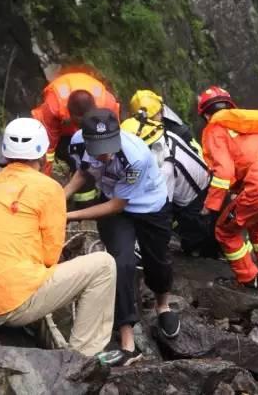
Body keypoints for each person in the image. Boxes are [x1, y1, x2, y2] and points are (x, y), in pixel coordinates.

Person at [0, 118, 123, 365]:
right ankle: (84, 359)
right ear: (42, 152)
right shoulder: (48, 188)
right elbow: (50, 256)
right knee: (103, 264)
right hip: (12, 303)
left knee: (35, 275)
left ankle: (57, 351)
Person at [64, 109, 179, 366]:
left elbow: (118, 204)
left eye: (109, 147)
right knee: (121, 263)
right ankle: (128, 339)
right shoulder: (77, 144)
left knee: (157, 261)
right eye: (99, 148)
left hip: (149, 205)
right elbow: (82, 172)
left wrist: (70, 216)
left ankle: (163, 306)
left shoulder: (135, 156)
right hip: (114, 204)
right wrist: (59, 199)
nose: (105, 154)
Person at [197, 86, 258, 300]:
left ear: (206, 114)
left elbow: (223, 171)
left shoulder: (215, 130)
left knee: (225, 231)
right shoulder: (248, 127)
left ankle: (249, 279)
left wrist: (211, 205)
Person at [120, 115, 221, 257]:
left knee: (193, 247)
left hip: (195, 202)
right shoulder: (166, 136)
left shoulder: (164, 168)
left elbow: (161, 208)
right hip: (198, 184)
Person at [32, 72, 121, 208]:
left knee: (95, 162)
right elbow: (47, 149)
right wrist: (43, 183)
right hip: (62, 132)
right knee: (77, 160)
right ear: (71, 115)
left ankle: (87, 203)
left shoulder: (107, 104)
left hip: (92, 131)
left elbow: (115, 141)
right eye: (80, 123)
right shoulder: (53, 106)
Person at [129, 89, 202, 155]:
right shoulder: (135, 137)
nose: (160, 114)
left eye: (158, 112)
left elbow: (196, 154)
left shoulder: (177, 130)